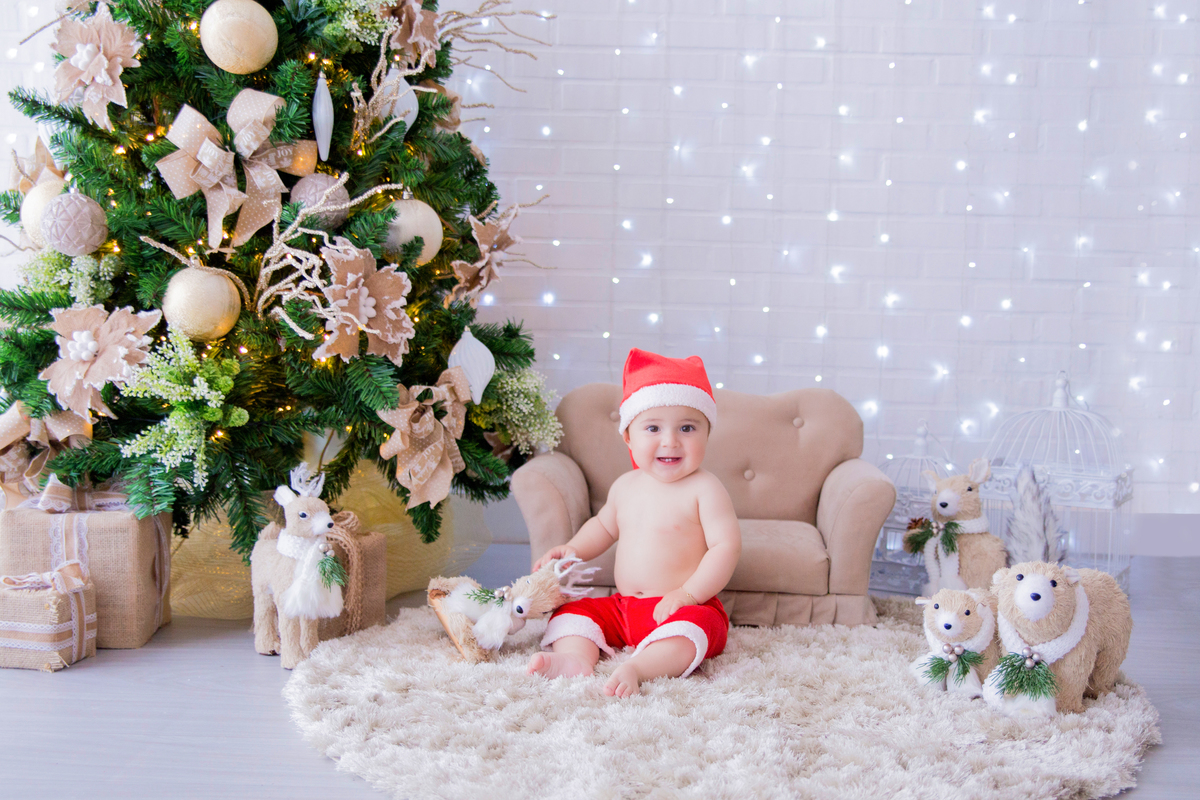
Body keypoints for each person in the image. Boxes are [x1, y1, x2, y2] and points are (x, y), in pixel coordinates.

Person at [527, 348, 742, 697]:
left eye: (687, 427)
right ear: (629, 436)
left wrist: (688, 594)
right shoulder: (625, 486)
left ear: (707, 433)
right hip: (623, 607)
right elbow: (604, 527)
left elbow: (726, 547)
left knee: (700, 629)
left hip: (681, 607)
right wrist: (573, 548)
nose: (670, 441)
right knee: (572, 612)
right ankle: (574, 659)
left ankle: (640, 668)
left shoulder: (706, 488)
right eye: (653, 427)